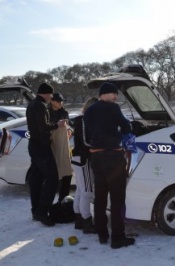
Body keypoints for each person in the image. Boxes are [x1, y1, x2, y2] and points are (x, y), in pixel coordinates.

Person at [84, 82, 135, 249]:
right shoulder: (112, 108)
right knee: (117, 199)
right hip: (113, 157)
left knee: (99, 198)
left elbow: (89, 135)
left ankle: (102, 234)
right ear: (107, 93)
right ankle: (118, 238)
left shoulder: (90, 110)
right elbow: (127, 126)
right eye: (115, 94)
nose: (116, 98)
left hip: (96, 157)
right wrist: (119, 134)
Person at [26, 83, 67, 226]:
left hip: (35, 146)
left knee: (36, 179)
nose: (51, 97)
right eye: (51, 94)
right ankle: (42, 212)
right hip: (41, 147)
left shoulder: (32, 104)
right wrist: (58, 125)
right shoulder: (40, 106)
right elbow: (43, 126)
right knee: (53, 178)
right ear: (45, 93)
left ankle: (36, 210)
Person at [71, 96, 98, 234]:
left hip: (78, 158)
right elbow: (86, 142)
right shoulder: (83, 120)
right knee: (87, 191)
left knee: (80, 190)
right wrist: (98, 145)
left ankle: (79, 220)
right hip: (83, 159)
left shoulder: (82, 119)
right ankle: (87, 221)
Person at [48, 92, 73, 203]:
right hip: (51, 147)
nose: (60, 103)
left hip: (64, 146)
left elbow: (71, 125)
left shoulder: (64, 112)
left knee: (67, 174)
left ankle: (63, 200)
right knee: (54, 176)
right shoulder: (47, 112)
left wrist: (70, 129)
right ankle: (48, 203)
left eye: (61, 101)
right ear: (52, 101)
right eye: (58, 101)